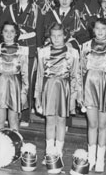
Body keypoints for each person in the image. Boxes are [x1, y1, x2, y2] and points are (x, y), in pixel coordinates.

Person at [79, 18, 106, 173]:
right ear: (93, 30)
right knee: (92, 124)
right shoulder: (84, 46)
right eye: (97, 28)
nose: (100, 31)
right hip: (89, 86)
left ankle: (100, 160)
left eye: (103, 28)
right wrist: (80, 93)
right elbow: (80, 71)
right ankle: (90, 159)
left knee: (103, 125)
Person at [35, 23, 81, 163]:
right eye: (53, 36)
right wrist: (37, 96)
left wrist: (74, 95)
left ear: (65, 36)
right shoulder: (43, 52)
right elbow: (39, 75)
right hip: (48, 88)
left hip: (64, 88)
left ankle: (58, 153)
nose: (56, 39)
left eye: (59, 36)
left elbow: (75, 75)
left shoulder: (72, 52)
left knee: (61, 120)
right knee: (49, 120)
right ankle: (49, 152)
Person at [5, 0, 43, 126]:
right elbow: (3, 27)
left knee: (27, 82)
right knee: (13, 80)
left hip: (30, 49)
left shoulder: (36, 9)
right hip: (13, 48)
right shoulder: (10, 8)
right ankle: (12, 113)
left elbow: (39, 30)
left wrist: (39, 49)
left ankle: (26, 116)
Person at [0, 22, 29, 131]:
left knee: (13, 118)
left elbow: (25, 74)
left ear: (16, 33)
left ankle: (15, 145)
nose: (9, 34)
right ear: (1, 33)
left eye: (12, 31)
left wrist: (24, 92)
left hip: (15, 86)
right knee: (0, 119)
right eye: (6, 31)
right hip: (0, 85)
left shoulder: (22, 50)